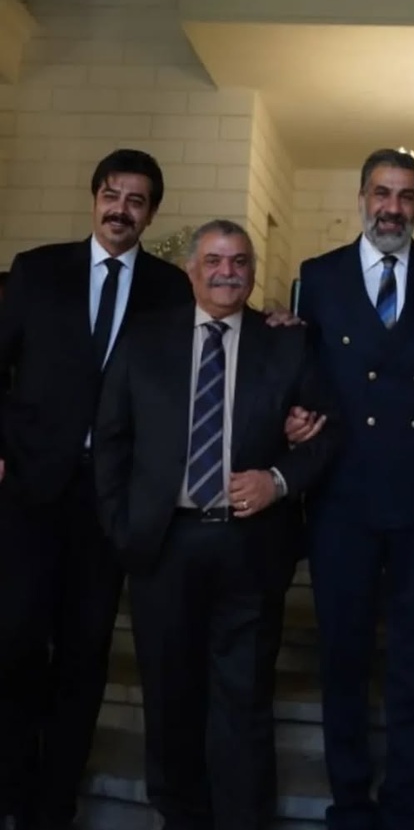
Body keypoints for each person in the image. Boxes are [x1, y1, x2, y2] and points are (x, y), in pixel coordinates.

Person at [93, 219, 337, 830]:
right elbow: (112, 439)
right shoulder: (144, 338)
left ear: (253, 272)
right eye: (214, 261)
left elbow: (323, 437)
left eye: (239, 261)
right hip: (163, 543)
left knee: (244, 698)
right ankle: (181, 817)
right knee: (169, 697)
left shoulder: (287, 343)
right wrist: (123, 527)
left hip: (250, 545)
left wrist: (276, 480)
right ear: (191, 270)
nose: (227, 272)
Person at [0, 148, 192, 830]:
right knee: (15, 643)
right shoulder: (36, 270)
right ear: (94, 199)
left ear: (151, 213)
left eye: (136, 200)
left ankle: (53, 806)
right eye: (112, 195)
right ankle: (11, 788)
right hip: (29, 490)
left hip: (111, 501)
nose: (121, 209)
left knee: (84, 655)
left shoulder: (171, 289)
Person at [290, 149, 414, 830]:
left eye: (405, 196)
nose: (392, 208)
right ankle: (349, 802)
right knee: (342, 658)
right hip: (341, 501)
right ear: (361, 197)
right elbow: (301, 371)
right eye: (381, 193)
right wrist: (292, 412)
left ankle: (405, 803)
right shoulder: (317, 277)